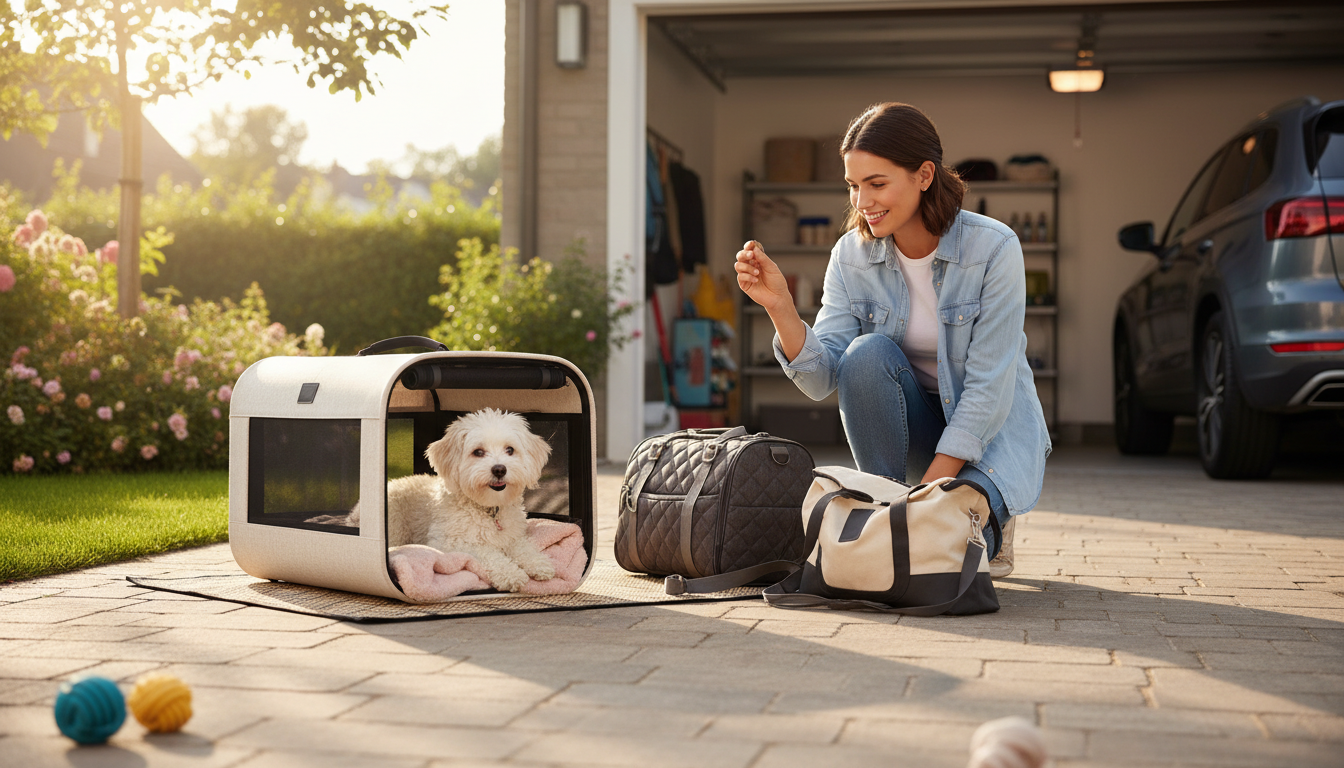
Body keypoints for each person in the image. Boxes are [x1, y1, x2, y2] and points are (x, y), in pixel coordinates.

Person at [734, 102, 1050, 576]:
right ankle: (884, 504)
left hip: (990, 437)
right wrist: (779, 307)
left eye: (877, 184)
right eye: (854, 186)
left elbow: (988, 390)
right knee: (865, 354)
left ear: (924, 175)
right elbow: (824, 379)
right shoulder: (851, 256)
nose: (862, 202)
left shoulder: (995, 249)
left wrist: (925, 502)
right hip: (917, 431)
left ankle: (974, 516)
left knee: (945, 555)